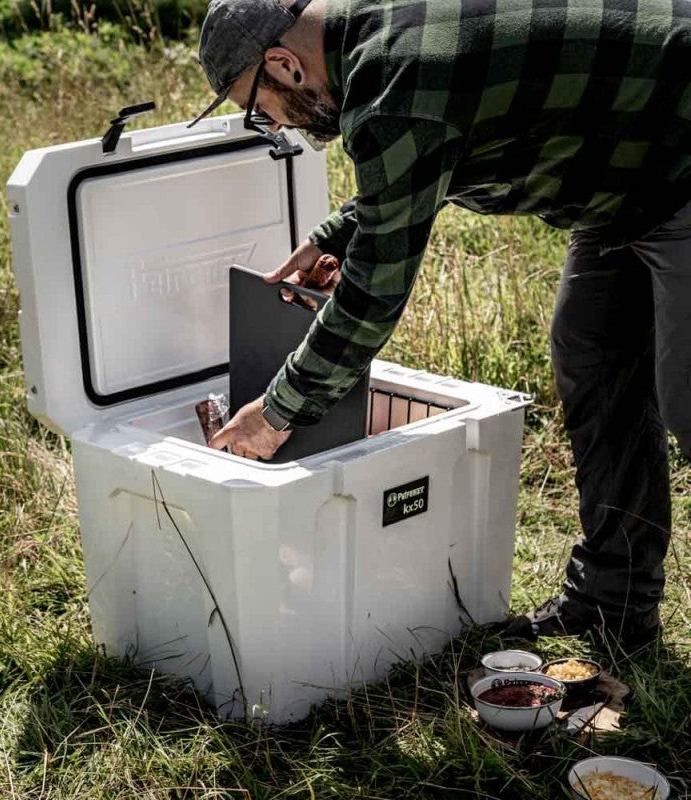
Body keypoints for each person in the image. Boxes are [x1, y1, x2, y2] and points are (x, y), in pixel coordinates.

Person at [191, 0, 691, 648]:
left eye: (261, 109)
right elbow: (445, 144)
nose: (276, 126)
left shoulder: (395, 87)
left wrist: (276, 412)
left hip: (676, 150)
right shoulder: (383, 36)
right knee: (589, 348)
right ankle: (614, 602)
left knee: (687, 396)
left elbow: (372, 297)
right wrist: (336, 234)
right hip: (625, 172)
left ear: (285, 65)